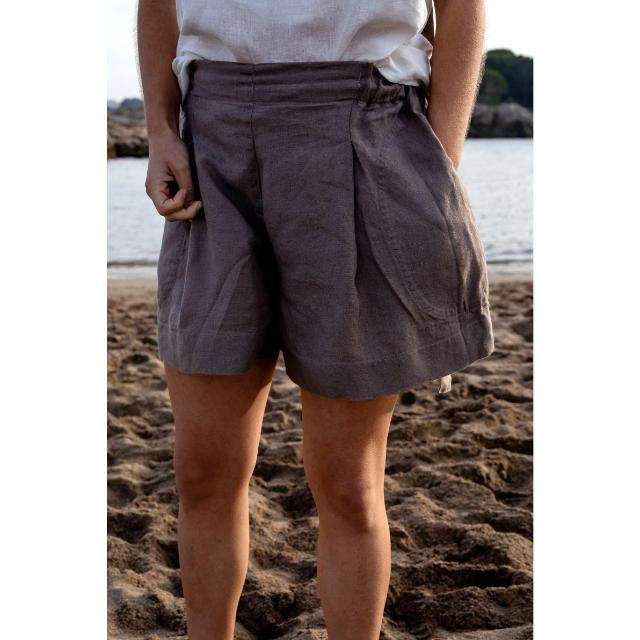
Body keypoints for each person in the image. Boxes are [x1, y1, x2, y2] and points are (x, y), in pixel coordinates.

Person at [137, 1, 492, 637]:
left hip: (363, 129)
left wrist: (438, 157)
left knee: (349, 482)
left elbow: (462, 8)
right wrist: (161, 130)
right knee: (202, 471)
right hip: (212, 143)